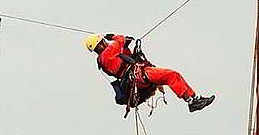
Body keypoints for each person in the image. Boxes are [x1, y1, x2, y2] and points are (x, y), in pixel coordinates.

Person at [84, 33, 215, 113]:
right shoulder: (107, 53)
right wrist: (112, 36)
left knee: (172, 76)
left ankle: (192, 99)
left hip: (136, 76)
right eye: (103, 41)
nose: (106, 43)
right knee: (171, 75)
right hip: (139, 74)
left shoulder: (103, 60)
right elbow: (121, 40)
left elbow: (123, 47)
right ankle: (192, 101)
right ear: (100, 44)